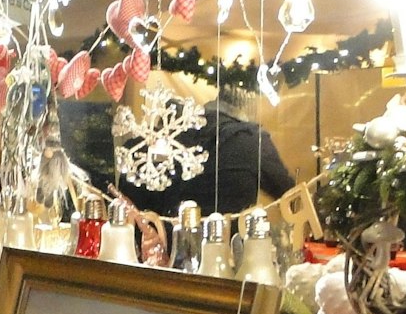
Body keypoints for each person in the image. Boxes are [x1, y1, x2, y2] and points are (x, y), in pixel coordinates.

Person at [115, 72, 294, 218]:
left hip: (164, 243)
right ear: (251, 102)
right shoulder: (253, 140)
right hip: (228, 250)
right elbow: (290, 196)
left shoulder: (179, 130)